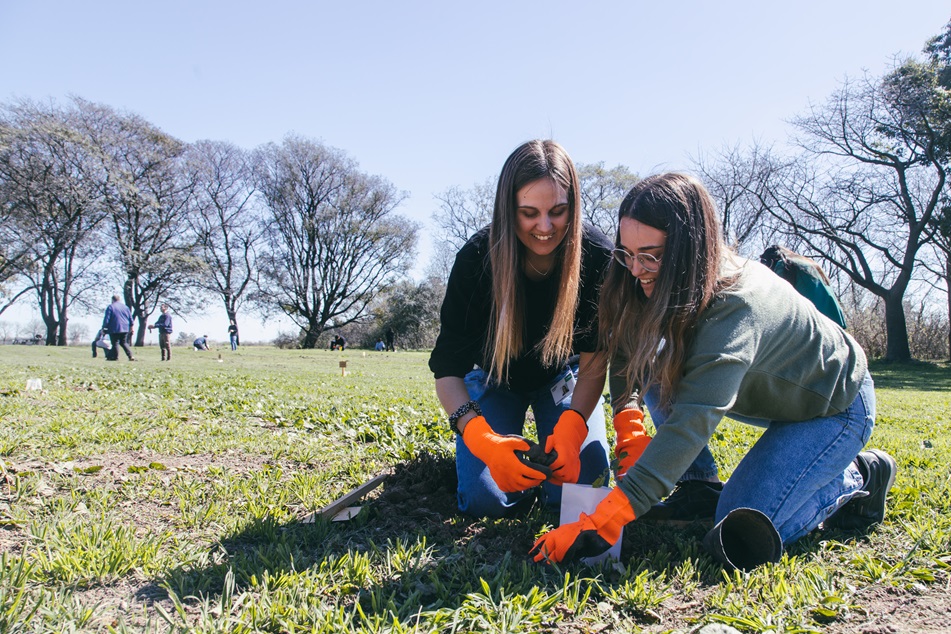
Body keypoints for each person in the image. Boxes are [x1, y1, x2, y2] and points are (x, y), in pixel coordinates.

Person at [531, 172, 896, 567]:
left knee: (738, 529)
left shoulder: (737, 307)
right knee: (656, 359)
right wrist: (629, 423)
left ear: (688, 252)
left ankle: (860, 474)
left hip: (835, 404)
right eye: (627, 253)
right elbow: (627, 350)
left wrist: (604, 520)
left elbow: (692, 421)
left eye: (650, 255)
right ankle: (700, 485)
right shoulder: (648, 279)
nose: (635, 270)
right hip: (773, 392)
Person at [429, 139, 611, 519]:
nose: (545, 228)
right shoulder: (476, 259)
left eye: (558, 211)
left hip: (564, 378)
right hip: (492, 378)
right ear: (508, 210)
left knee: (583, 498)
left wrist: (574, 424)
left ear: (574, 207)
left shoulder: (597, 256)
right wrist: (482, 439)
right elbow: (447, 371)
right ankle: (494, 468)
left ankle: (550, 478)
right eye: (529, 213)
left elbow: (595, 362)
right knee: (486, 501)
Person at [759, 245, 847, 328]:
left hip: (818, 322)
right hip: (836, 321)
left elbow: (777, 300)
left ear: (770, 260)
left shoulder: (784, 265)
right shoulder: (808, 264)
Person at [102, 295, 135, 361]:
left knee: (115, 343)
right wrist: (131, 327)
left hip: (114, 328)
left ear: (112, 300)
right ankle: (130, 356)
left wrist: (104, 328)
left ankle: (114, 357)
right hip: (125, 328)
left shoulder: (111, 307)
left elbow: (107, 319)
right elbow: (131, 318)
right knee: (124, 342)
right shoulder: (125, 307)